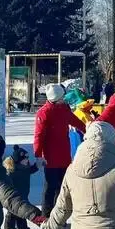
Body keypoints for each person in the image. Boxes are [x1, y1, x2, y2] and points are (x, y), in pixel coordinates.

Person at [33, 83, 84, 217]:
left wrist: (88, 129)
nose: (64, 99)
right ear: (56, 98)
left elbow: (76, 121)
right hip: (50, 156)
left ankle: (60, 215)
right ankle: (46, 215)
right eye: (62, 97)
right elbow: (39, 135)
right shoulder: (44, 113)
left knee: (62, 187)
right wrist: (38, 155)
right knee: (50, 187)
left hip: (64, 155)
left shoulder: (64, 109)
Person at [3, 145, 39, 229]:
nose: (27, 161)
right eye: (25, 159)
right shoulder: (12, 171)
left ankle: (22, 226)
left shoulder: (26, 168)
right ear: (18, 161)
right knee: (12, 212)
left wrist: (37, 165)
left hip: (24, 193)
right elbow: (6, 181)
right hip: (14, 195)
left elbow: (31, 170)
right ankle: (9, 227)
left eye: (27, 159)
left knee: (23, 211)